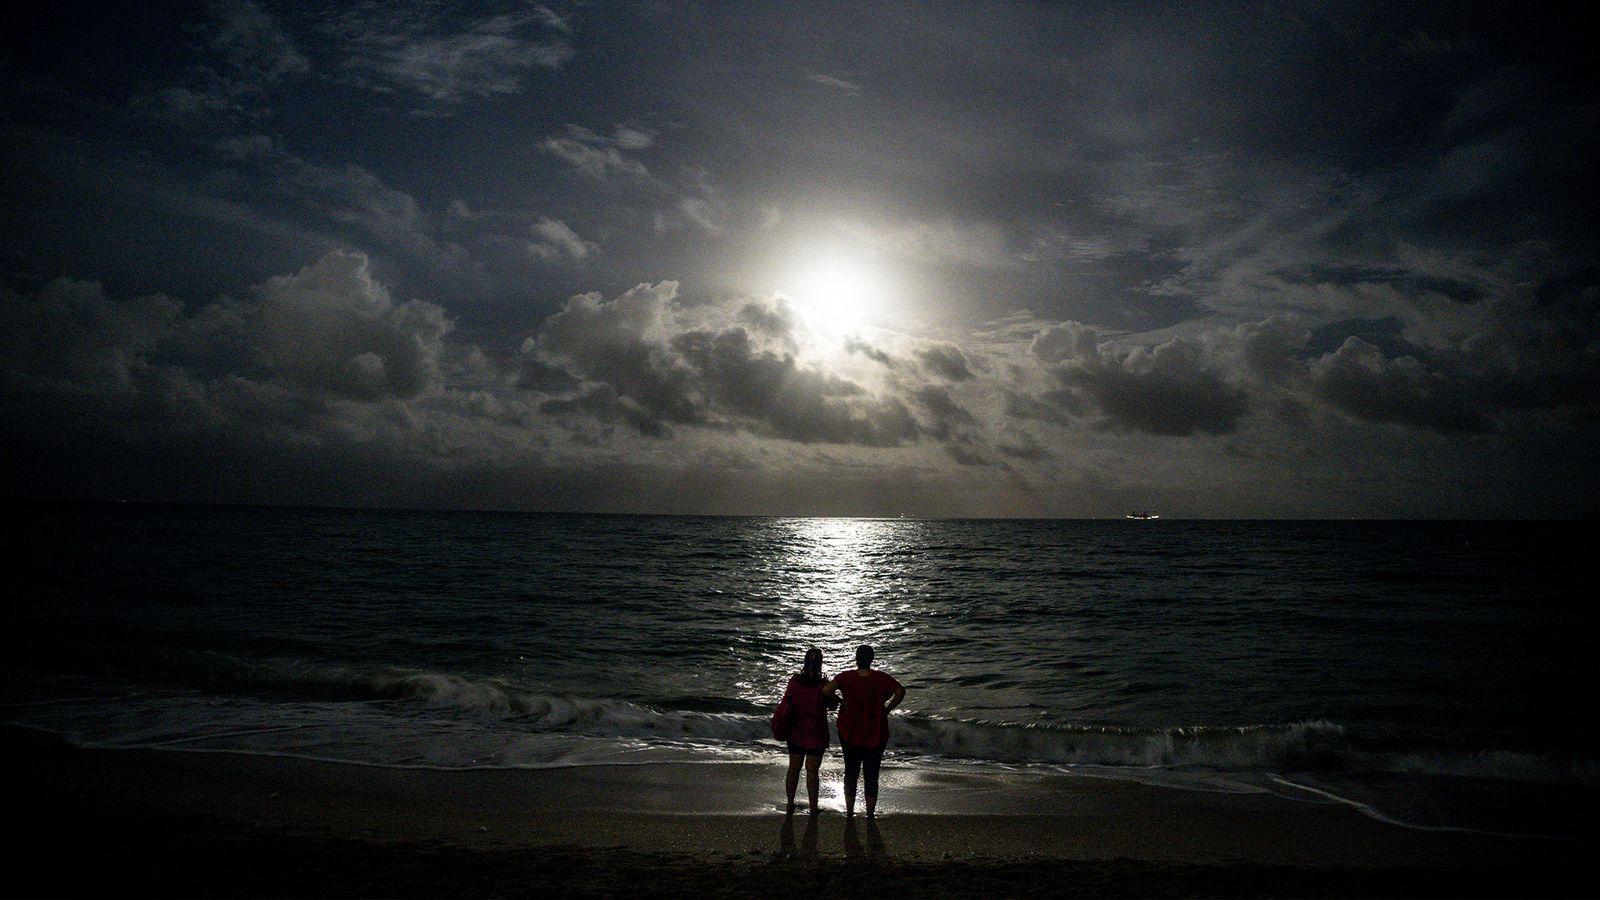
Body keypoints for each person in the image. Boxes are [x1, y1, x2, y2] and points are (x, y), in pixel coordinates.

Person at [823, 644, 905, 818]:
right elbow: (900, 691)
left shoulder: (846, 677)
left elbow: (826, 690)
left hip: (849, 732)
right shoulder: (881, 678)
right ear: (871, 659)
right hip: (875, 731)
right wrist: (888, 709)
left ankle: (850, 811)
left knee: (851, 772)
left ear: (856, 658)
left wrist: (840, 701)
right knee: (871, 774)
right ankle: (869, 813)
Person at [780, 647, 832, 813]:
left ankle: (790, 803)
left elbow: (789, 699)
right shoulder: (823, 684)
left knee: (794, 768)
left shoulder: (794, 680)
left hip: (796, 730)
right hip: (817, 732)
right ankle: (814, 807)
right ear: (820, 663)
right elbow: (831, 705)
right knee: (812, 772)